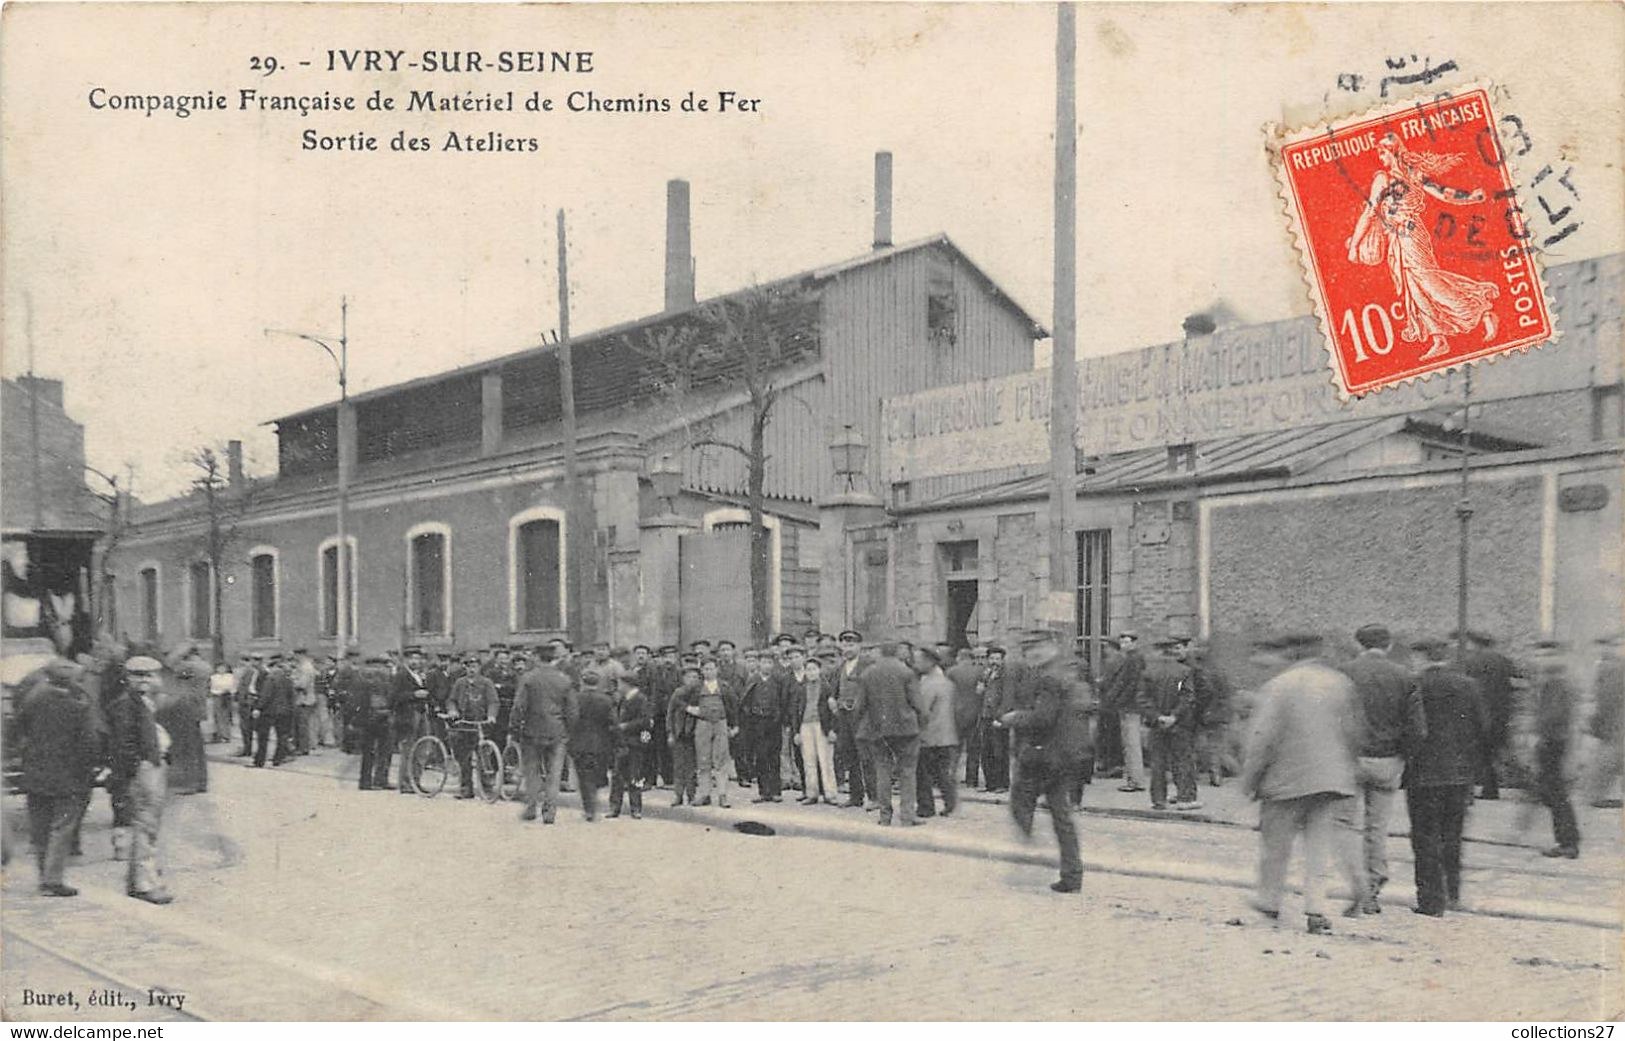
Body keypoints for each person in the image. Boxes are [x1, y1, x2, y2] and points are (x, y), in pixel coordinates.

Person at [1239, 632, 1363, 935]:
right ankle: (1316, 909)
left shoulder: (1280, 686)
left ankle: (1269, 901)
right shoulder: (1339, 683)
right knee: (1318, 847)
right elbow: (1353, 732)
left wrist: (1250, 779)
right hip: (1330, 780)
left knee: (1275, 846)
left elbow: (1262, 739)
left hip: (1286, 779)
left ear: (1289, 655)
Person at [1346, 132, 1499, 361]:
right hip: (1397, 239)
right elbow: (1370, 212)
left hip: (1412, 235)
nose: (1381, 158)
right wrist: (1355, 243)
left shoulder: (1409, 175)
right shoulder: (1384, 179)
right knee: (1414, 288)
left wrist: (1470, 198)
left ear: (1393, 152)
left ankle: (1481, 310)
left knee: (1429, 282)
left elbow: (1442, 192)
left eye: (1383, 152)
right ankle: (1439, 339)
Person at [994, 628, 1090, 893]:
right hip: (1063, 754)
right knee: (1061, 816)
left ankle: (1029, 860)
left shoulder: (1049, 676)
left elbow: (1044, 718)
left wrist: (1015, 718)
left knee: (1020, 805)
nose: (1028, 654)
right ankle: (1072, 875)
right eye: (1026, 650)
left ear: (1048, 646)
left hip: (1042, 754)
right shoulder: (1066, 670)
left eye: (1032, 649)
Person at [1340, 623, 1427, 912]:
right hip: (1388, 760)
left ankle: (1356, 886)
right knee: (1376, 829)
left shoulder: (1345, 673)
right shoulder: (1404, 676)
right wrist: (1403, 756)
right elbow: (1418, 729)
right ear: (1388, 645)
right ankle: (1373, 888)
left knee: (1347, 826)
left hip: (1349, 759)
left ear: (1358, 644)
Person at [1403, 636, 1488, 917]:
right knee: (1453, 836)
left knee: (1425, 836)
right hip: (1460, 773)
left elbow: (1410, 728)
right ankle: (1453, 893)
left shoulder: (1415, 684)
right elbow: (1481, 728)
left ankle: (1430, 900)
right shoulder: (1468, 685)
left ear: (1423, 656)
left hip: (1424, 773)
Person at [18, 675, 98, 896]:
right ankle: (52, 881)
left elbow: (20, 730)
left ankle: (44, 875)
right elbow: (89, 742)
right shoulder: (78, 706)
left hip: (35, 774)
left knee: (40, 828)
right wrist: (91, 768)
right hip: (68, 777)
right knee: (62, 828)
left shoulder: (31, 701)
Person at [107, 656, 174, 904]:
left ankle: (144, 878)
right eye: (138, 676)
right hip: (143, 771)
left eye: (149, 675)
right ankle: (143, 884)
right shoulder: (126, 705)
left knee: (149, 827)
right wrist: (138, 770)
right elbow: (124, 745)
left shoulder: (143, 703)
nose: (145, 681)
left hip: (151, 766)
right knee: (145, 828)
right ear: (128, 677)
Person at [853, 641, 927, 827]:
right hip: (906, 730)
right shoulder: (907, 672)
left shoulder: (868, 673)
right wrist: (922, 726)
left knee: (882, 772)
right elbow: (919, 705)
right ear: (896, 652)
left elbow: (859, 707)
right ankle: (907, 816)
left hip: (878, 730)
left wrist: (860, 727)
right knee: (907, 773)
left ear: (880, 652)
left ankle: (885, 816)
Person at [510, 649, 578, 824]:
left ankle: (531, 807)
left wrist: (514, 729)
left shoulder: (528, 678)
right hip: (557, 732)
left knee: (531, 771)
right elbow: (572, 710)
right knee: (554, 774)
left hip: (532, 731)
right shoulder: (564, 679)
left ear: (537, 658)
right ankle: (549, 812)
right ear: (554, 659)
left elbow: (519, 707)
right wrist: (570, 731)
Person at [1529, 640, 1581, 858]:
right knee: (1552, 792)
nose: (1541, 661)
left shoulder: (1559, 684)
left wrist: (1537, 733)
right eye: (1539, 656)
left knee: (1556, 793)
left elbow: (1555, 715)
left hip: (1554, 744)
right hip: (1551, 742)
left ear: (1558, 658)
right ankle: (1568, 838)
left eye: (1547, 656)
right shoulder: (1549, 683)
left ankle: (1568, 842)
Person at [1455, 630, 1518, 800]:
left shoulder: (1471, 662)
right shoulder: (1504, 660)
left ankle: (1474, 790)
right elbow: (1518, 681)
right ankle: (1492, 788)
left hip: (1478, 713)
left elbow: (1464, 686)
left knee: (1474, 752)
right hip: (1501, 714)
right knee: (1493, 751)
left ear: (1476, 644)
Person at [1139, 636, 1198, 811]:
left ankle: (1158, 799)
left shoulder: (1148, 672)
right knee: (1181, 760)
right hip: (1178, 724)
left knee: (1158, 762)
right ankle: (1184, 797)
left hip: (1156, 724)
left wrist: (1157, 717)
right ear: (1172, 651)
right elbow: (1187, 697)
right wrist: (1174, 716)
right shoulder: (1183, 672)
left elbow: (1142, 699)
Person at [914, 646, 959, 819]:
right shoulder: (947, 682)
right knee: (941, 772)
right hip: (947, 735)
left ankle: (926, 807)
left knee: (923, 773)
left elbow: (922, 709)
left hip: (930, 735)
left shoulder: (929, 683)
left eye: (918, 660)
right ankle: (950, 802)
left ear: (929, 662)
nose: (916, 664)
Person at [687, 658, 740, 807]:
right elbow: (682, 701)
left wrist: (734, 725)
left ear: (717, 670)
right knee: (703, 760)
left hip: (721, 724)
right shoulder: (696, 688)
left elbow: (733, 706)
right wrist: (690, 709)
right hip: (702, 725)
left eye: (711, 668)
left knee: (721, 760)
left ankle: (722, 795)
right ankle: (705, 794)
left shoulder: (724, 687)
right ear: (702, 671)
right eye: (706, 669)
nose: (709, 672)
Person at [158, 646, 210, 795]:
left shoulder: (189, 666)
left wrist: (178, 651)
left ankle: (191, 783)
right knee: (197, 748)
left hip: (187, 708)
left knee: (189, 748)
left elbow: (168, 663)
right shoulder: (204, 666)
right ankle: (201, 782)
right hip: (197, 709)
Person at [832, 630, 874, 808]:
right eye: (844, 644)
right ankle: (855, 797)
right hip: (843, 718)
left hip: (862, 718)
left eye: (851, 645)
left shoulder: (868, 666)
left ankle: (875, 797)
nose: (847, 648)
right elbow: (833, 691)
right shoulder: (840, 668)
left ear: (859, 646)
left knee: (867, 757)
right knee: (849, 756)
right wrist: (832, 700)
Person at [791, 653, 839, 805]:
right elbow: (795, 712)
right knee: (809, 760)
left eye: (814, 669)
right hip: (805, 726)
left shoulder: (827, 688)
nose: (811, 673)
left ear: (819, 670)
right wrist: (796, 732)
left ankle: (830, 793)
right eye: (808, 670)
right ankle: (812, 793)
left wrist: (833, 730)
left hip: (821, 726)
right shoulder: (800, 689)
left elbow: (833, 712)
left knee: (825, 760)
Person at [447, 654, 498, 800]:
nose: (472, 670)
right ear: (465, 668)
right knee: (464, 758)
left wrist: (491, 715)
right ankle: (465, 788)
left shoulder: (486, 683)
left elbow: (493, 701)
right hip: (464, 724)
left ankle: (487, 788)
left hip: (481, 723)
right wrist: (452, 710)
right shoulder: (460, 683)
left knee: (484, 756)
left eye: (474, 667)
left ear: (479, 668)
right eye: (469, 667)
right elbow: (451, 700)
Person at [1102, 632, 1147, 793]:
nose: (1124, 646)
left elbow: (1130, 684)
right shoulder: (1134, 659)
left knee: (1131, 743)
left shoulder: (1133, 660)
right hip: (1132, 705)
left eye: (1127, 642)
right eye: (1122, 643)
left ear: (1134, 644)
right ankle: (1134, 779)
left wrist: (1116, 700)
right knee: (1130, 743)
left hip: (1130, 706)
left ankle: (1135, 780)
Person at [1184, 640, 1234, 787]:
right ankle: (1215, 775)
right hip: (1219, 712)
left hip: (1206, 713)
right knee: (1215, 747)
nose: (1195, 650)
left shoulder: (1198, 670)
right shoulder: (1219, 669)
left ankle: (1194, 775)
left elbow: (1206, 693)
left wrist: (1198, 710)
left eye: (1198, 647)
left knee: (1194, 744)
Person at [571, 670, 615, 821]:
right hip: (601, 744)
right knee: (595, 775)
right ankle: (592, 803)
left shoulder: (576, 699)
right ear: (598, 683)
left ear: (583, 683)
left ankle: (589, 808)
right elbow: (612, 723)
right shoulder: (606, 700)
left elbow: (570, 719)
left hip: (579, 744)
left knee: (584, 777)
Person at [608, 673, 654, 819]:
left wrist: (625, 726)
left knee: (635, 775)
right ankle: (615, 807)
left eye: (620, 683)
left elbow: (646, 721)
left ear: (627, 684)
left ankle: (636, 808)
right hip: (622, 743)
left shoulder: (641, 699)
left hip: (635, 743)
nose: (618, 686)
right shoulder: (623, 699)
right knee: (617, 776)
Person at [1585, 633, 1623, 809]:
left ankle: (1599, 795)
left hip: (1615, 722)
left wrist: (1599, 719)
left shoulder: (1613, 667)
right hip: (1613, 722)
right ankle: (1600, 795)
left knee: (1609, 759)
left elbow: (1607, 698)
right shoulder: (1607, 666)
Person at [391, 647, 432, 794]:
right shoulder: (401, 676)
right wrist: (414, 694)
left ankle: (416, 780)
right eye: (413, 659)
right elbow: (395, 697)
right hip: (408, 715)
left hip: (421, 713)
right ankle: (405, 782)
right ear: (406, 660)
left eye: (418, 659)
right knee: (408, 750)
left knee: (422, 749)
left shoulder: (421, 675)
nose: (416, 661)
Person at [946, 649, 985, 790]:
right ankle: (971, 780)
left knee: (954, 748)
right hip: (974, 713)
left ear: (959, 657)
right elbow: (982, 692)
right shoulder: (980, 671)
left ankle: (950, 776)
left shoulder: (951, 672)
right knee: (973, 749)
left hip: (955, 713)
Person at [354, 655, 395, 790]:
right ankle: (378, 780)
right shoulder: (381, 680)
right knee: (382, 750)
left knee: (370, 751)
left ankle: (368, 781)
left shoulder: (362, 679)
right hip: (379, 717)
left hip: (370, 718)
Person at [666, 663, 702, 806]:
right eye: (689, 677)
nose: (692, 680)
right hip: (679, 733)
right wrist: (670, 732)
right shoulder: (677, 693)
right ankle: (678, 795)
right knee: (679, 766)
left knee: (692, 767)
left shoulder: (701, 693)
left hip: (695, 734)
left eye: (695, 677)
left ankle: (692, 795)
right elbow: (670, 714)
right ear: (683, 679)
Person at [977, 646, 1013, 792]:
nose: (994, 662)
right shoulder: (986, 674)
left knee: (1000, 752)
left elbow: (1008, 698)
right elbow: (981, 695)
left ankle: (1002, 784)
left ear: (1003, 660)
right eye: (991, 658)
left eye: (997, 659)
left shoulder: (1006, 676)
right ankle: (990, 783)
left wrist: (1001, 716)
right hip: (986, 716)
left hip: (998, 718)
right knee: (986, 751)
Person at [251, 656, 295, 768]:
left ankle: (259, 761)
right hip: (284, 711)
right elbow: (291, 697)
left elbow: (266, 695)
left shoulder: (270, 679)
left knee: (263, 736)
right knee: (282, 736)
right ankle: (278, 759)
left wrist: (258, 708)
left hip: (269, 711)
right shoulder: (288, 679)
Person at [206, 660, 236, 744]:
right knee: (217, 716)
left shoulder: (230, 676)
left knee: (225, 716)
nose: (221, 669)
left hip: (226, 697)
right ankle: (218, 734)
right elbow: (212, 687)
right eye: (219, 668)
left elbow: (230, 686)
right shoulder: (214, 677)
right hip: (216, 696)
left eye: (223, 668)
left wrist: (225, 690)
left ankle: (226, 735)